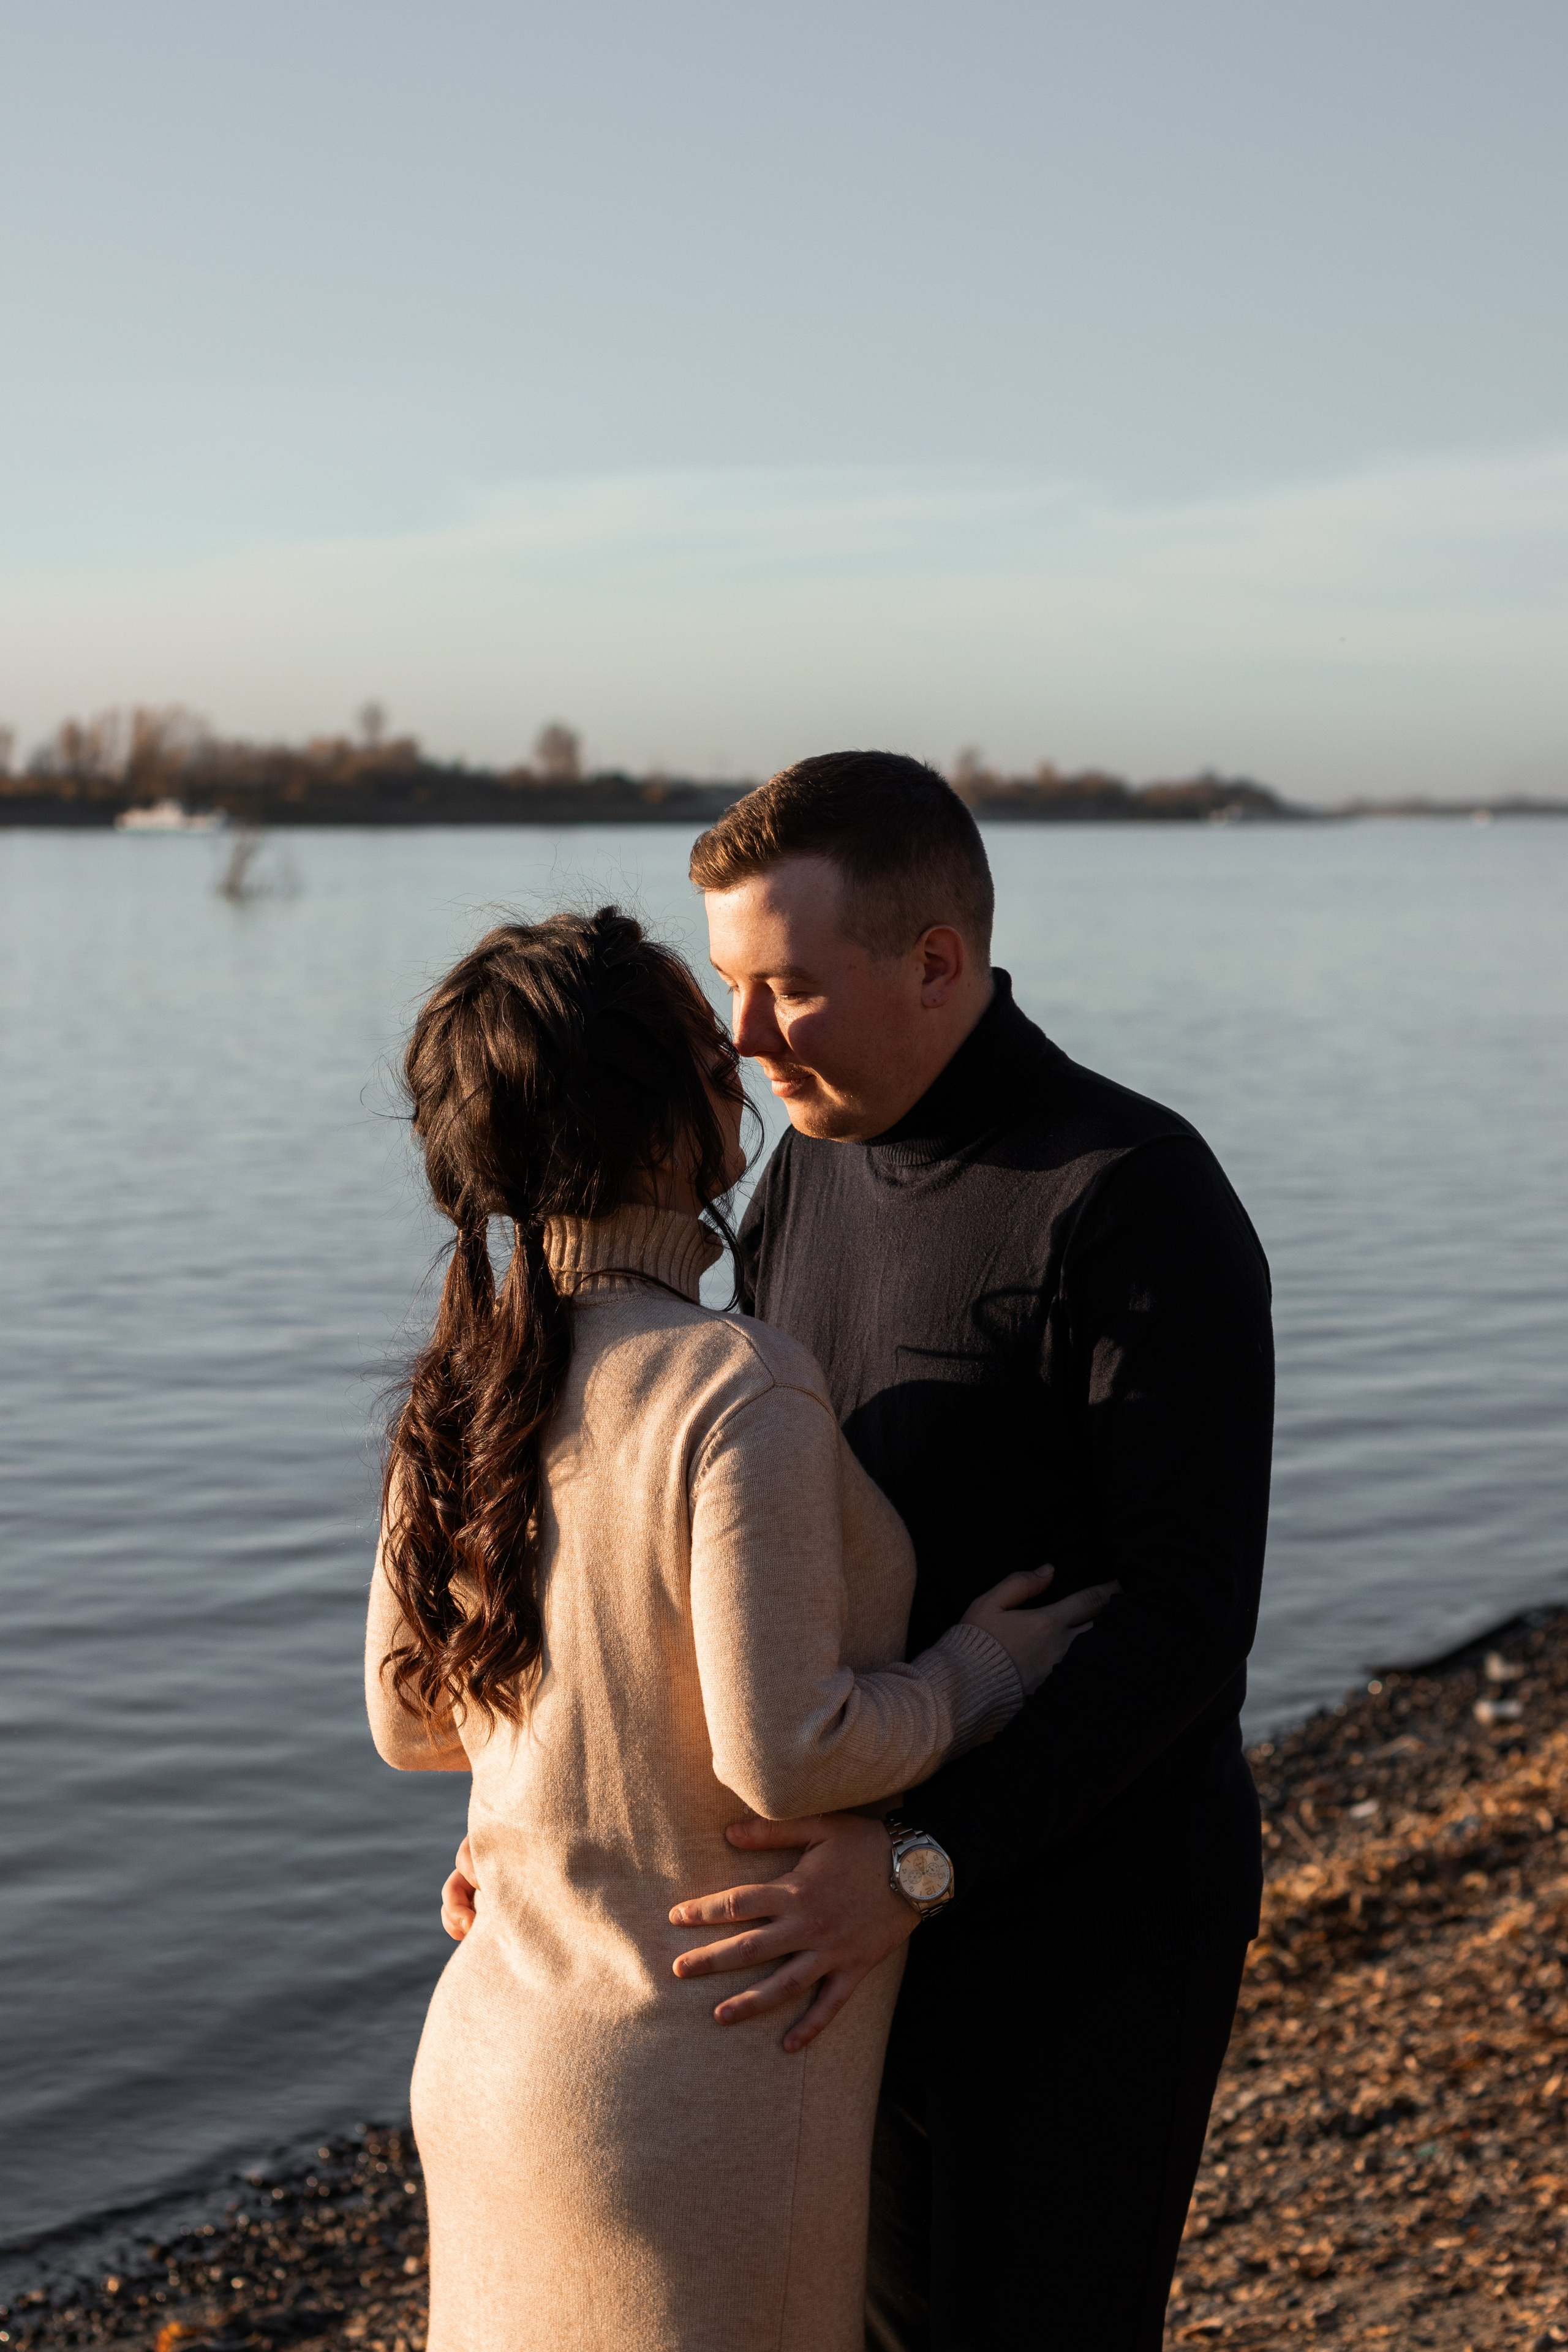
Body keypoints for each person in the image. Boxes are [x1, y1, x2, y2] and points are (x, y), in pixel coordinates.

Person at [444, 753, 1274, 2350]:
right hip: (840, 1916)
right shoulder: (805, 1172)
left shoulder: (1133, 1198)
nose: (746, 1046)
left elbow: (1185, 1626)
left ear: (936, 964)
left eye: (789, 991)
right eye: (731, 991)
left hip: (1081, 1929)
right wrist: (531, 1807)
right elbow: (685, 1539)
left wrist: (925, 1861)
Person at [366, 907, 1113, 2352]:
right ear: (663, 1123)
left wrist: (558, 1779)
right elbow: (787, 1754)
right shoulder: (730, 1385)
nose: (744, 1061)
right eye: (711, 1048)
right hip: (686, 2088)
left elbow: (412, 1719)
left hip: (489, 2056)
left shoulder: (461, 1379)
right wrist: (980, 1671)